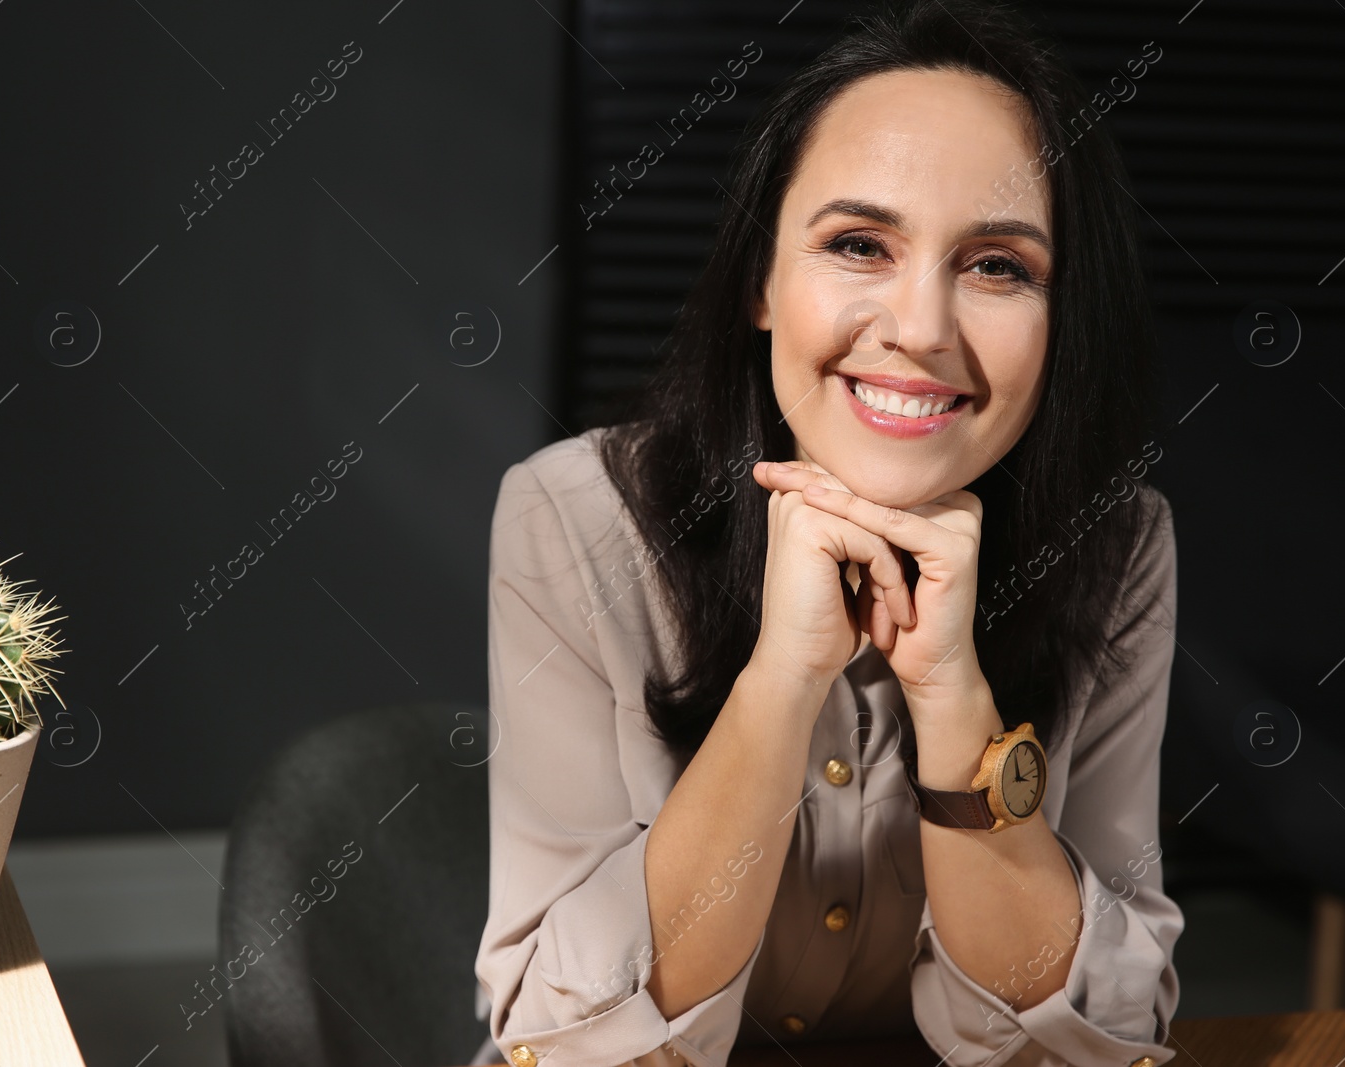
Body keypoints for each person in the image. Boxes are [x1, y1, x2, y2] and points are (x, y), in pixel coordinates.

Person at [473, 1, 1182, 1064]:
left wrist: (952, 703)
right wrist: (781, 678)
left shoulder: (1118, 543)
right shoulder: (572, 517)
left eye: (997, 265)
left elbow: (1104, 1039)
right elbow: (562, 1044)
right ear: (760, 280)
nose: (921, 328)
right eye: (859, 244)